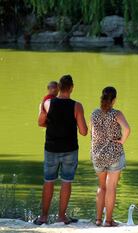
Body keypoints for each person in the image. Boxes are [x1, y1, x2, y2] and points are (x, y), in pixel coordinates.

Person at [35, 75, 88, 225]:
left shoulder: (48, 103)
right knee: (66, 182)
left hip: (51, 148)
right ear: (71, 88)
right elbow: (83, 132)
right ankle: (61, 217)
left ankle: (43, 217)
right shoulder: (77, 106)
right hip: (70, 149)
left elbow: (40, 122)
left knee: (48, 181)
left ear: (58, 87)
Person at [90, 86, 130, 227]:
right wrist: (122, 141)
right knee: (111, 187)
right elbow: (127, 129)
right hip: (114, 153)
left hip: (98, 155)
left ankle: (98, 219)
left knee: (101, 187)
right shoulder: (116, 114)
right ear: (113, 100)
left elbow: (93, 134)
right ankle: (108, 221)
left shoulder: (94, 114)